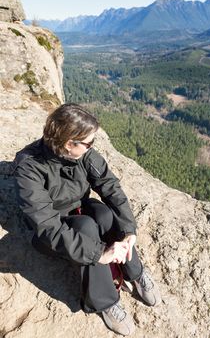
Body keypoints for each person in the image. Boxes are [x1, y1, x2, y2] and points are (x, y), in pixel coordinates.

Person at [13, 103, 161, 336]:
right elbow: (47, 227)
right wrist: (99, 254)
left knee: (104, 214)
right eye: (87, 143)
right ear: (67, 143)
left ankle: (136, 272)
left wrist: (129, 229)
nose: (91, 147)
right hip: (50, 229)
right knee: (86, 228)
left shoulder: (84, 155)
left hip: (78, 206)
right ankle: (105, 302)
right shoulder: (28, 167)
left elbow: (110, 187)